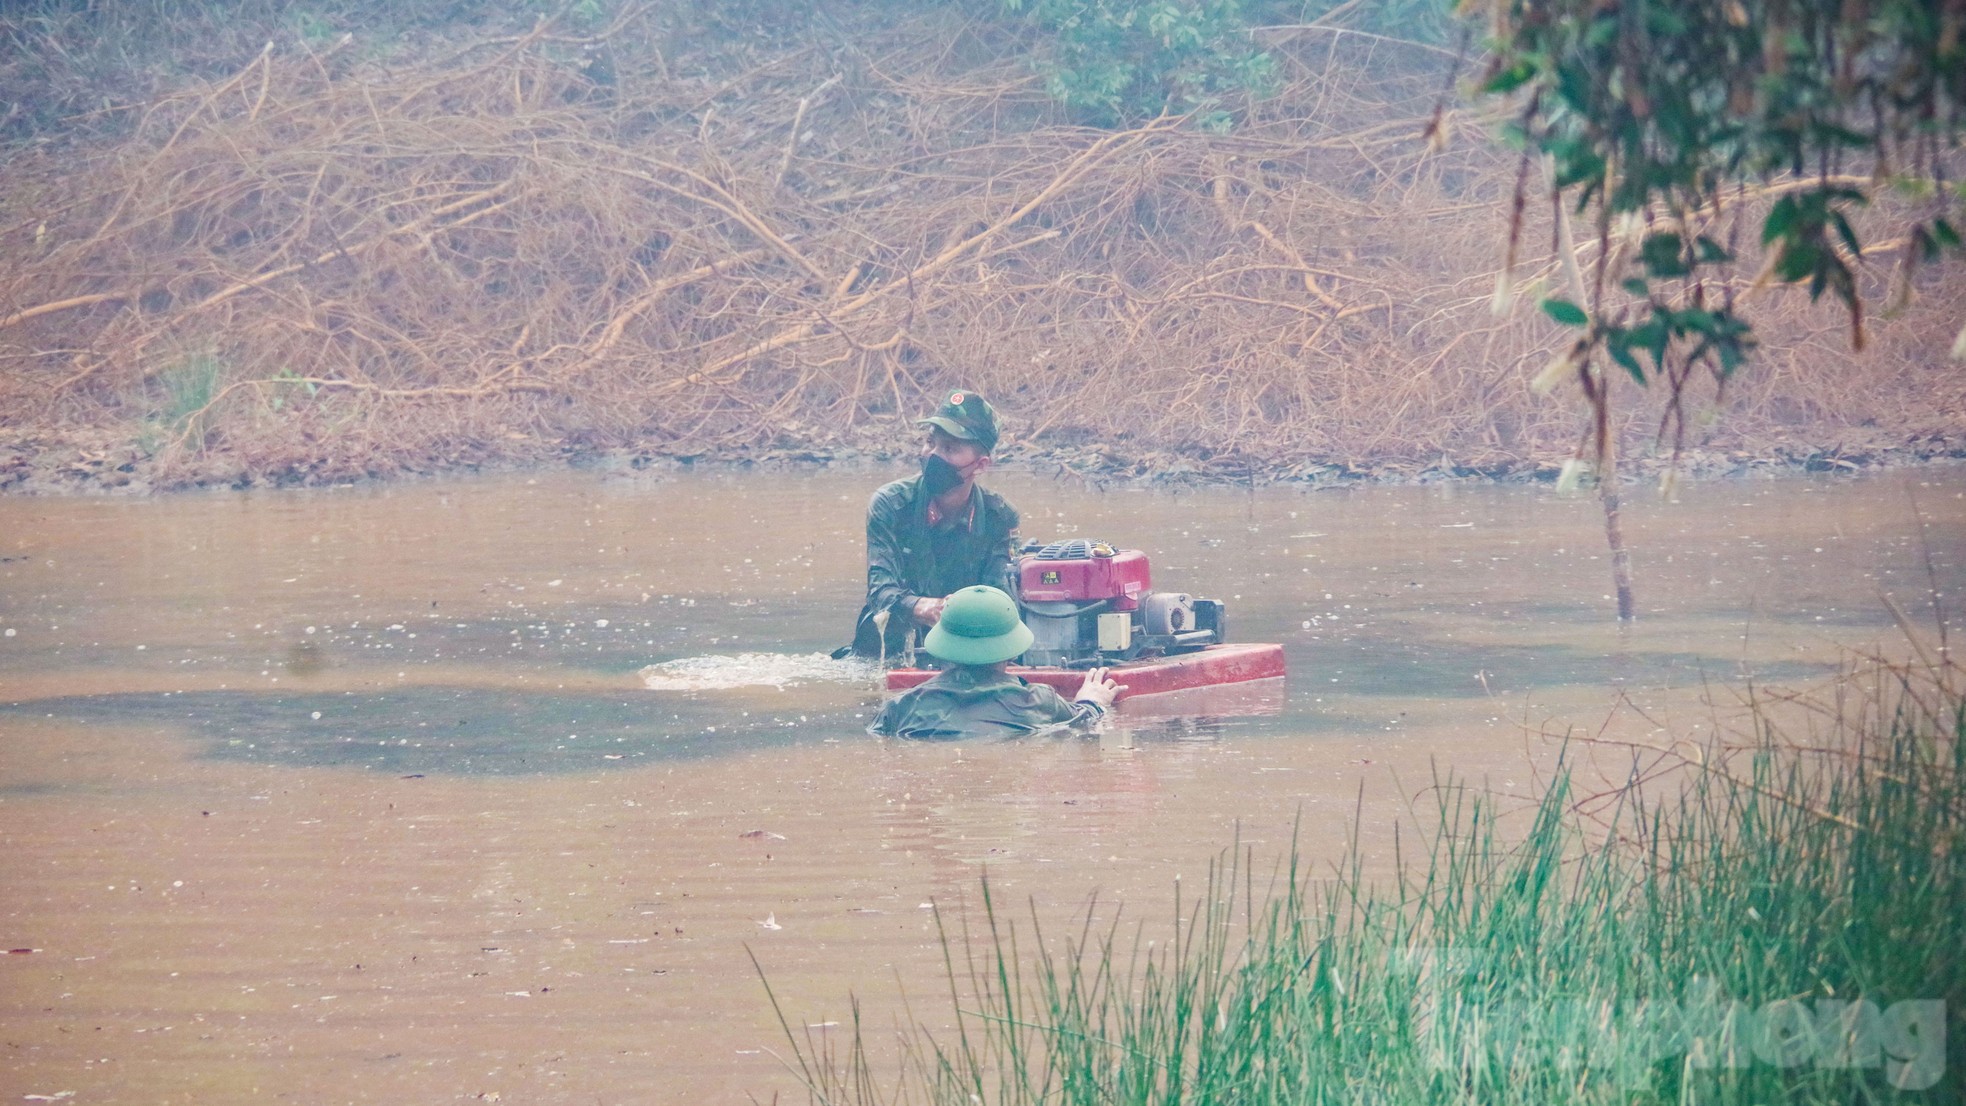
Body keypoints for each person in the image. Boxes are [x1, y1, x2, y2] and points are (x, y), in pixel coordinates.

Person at [842, 389, 1020, 663]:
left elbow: (1001, 599)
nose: (932, 455)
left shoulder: (1000, 517)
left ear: (980, 465)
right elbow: (880, 591)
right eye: (930, 442)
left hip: (963, 655)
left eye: (949, 448)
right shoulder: (890, 505)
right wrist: (925, 607)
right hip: (887, 654)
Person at [871, 585, 1124, 739]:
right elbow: (1082, 722)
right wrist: (1093, 701)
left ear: (942, 646)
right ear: (1012, 651)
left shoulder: (901, 708)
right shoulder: (1039, 702)